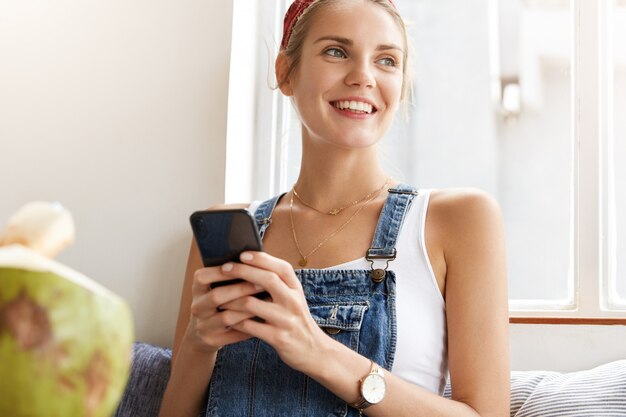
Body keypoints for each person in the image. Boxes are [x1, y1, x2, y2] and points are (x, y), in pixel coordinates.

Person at [159, 0, 510, 416]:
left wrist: (317, 351)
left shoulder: (459, 219)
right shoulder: (226, 230)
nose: (363, 76)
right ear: (285, 73)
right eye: (336, 51)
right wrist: (200, 342)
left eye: (386, 60)